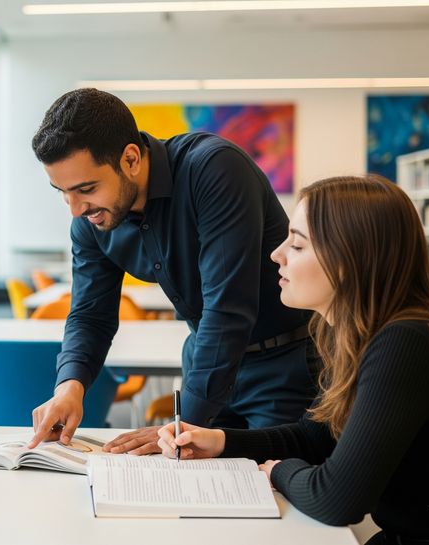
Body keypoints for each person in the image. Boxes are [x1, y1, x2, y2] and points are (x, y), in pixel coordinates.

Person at [111, 175, 429, 544]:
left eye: (297, 244)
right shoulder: (357, 335)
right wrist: (221, 441)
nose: (276, 254)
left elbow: (337, 500)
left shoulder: (408, 342)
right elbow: (316, 436)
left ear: (350, 258)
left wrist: (278, 472)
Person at [28, 88, 315, 447]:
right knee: (192, 485)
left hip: (280, 367)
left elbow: (227, 308)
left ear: (131, 159)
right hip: (205, 364)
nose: (75, 209)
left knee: (273, 492)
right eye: (62, 191)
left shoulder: (214, 170)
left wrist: (183, 424)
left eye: (86, 188)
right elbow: (90, 315)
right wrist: (69, 387)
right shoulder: (91, 218)